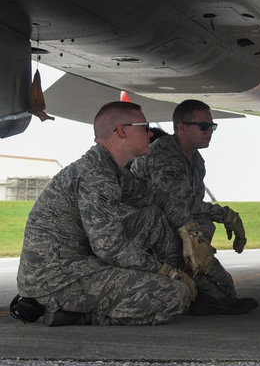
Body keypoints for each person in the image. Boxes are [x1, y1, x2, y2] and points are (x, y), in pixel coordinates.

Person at [14, 101, 198, 326]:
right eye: (144, 126)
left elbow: (157, 196)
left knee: (153, 217)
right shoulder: (97, 176)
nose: (150, 133)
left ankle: (194, 287)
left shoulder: (109, 170)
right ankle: (76, 314)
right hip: (58, 279)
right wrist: (166, 272)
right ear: (122, 130)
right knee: (173, 295)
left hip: (80, 264)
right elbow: (109, 248)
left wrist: (189, 229)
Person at [130, 99, 256, 315]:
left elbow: (193, 208)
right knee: (219, 293)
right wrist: (225, 214)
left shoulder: (196, 161)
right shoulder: (164, 154)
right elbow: (180, 203)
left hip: (171, 228)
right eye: (204, 126)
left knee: (225, 289)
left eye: (212, 126)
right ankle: (193, 290)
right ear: (181, 127)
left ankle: (198, 291)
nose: (210, 131)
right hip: (146, 233)